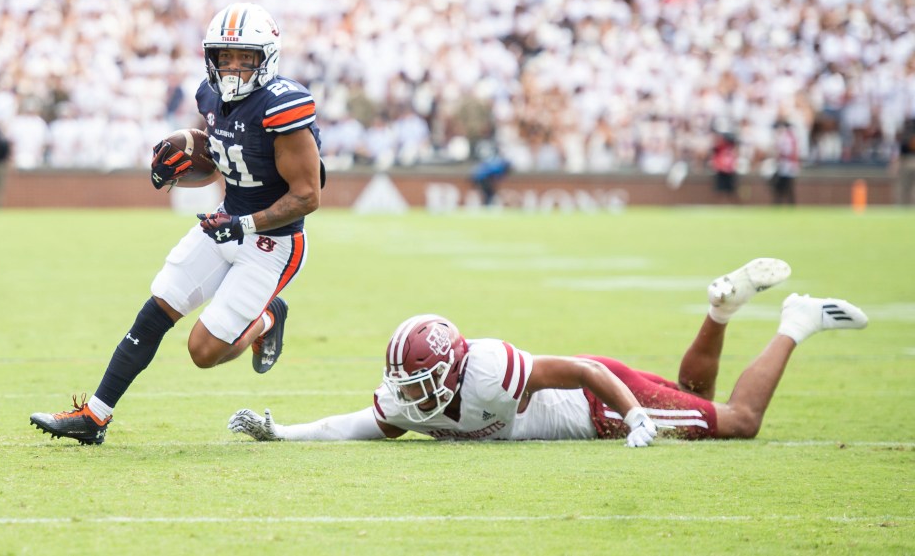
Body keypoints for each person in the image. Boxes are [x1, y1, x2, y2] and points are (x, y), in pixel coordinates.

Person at [31, 2, 323, 444]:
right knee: (158, 306)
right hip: (227, 222)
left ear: (267, 57)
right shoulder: (210, 96)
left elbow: (307, 196)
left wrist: (244, 226)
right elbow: (223, 162)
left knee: (203, 352)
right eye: (226, 57)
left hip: (272, 243)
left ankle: (267, 319)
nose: (234, 67)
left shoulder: (283, 107)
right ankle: (94, 417)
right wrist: (182, 162)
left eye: (245, 57)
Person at [229, 258, 867, 445]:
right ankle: (721, 310)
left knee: (737, 422)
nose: (415, 396)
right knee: (696, 398)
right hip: (596, 392)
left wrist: (635, 416)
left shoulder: (488, 372)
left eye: (424, 381)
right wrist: (282, 432)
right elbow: (355, 425)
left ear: (453, 366)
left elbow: (585, 371)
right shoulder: (413, 395)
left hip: (596, 404)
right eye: (410, 384)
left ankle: (797, 320)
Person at [769, 119, 799, 205]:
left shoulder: (786, 138)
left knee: (784, 186)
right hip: (787, 165)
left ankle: (781, 202)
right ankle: (786, 202)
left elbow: (785, 152)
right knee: (786, 186)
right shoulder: (791, 137)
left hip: (787, 165)